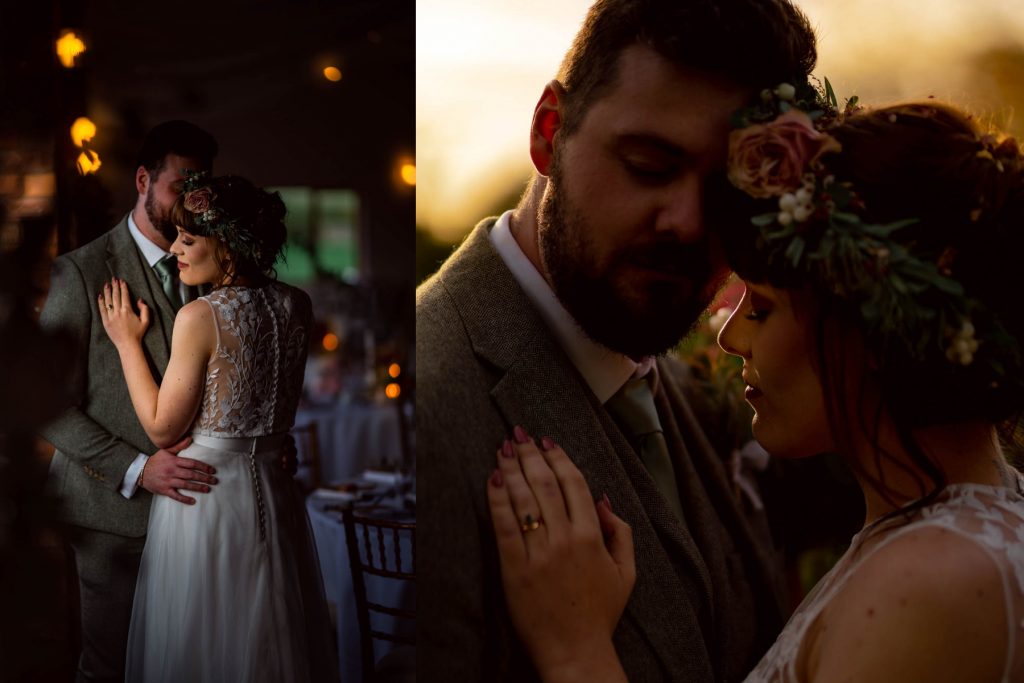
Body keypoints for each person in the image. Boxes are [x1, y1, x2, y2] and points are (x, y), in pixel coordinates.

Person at [486, 94, 1024, 682]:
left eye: (762, 308)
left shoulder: (925, 587)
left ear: (869, 329)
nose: (730, 337)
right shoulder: (956, 534)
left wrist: (576, 648)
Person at [416, 0, 818, 680]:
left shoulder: (690, 388)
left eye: (725, 193)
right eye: (648, 165)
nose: (686, 224)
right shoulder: (432, 407)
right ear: (549, 132)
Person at [98, 172, 337, 682]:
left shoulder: (202, 314)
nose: (177, 250)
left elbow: (164, 430)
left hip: (206, 498)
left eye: (189, 239)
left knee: (203, 645)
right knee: (272, 636)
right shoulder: (297, 305)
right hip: (275, 491)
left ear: (226, 246)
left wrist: (125, 343)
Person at [39, 120, 221, 683]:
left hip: (198, 517)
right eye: (179, 185)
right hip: (110, 519)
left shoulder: (215, 268)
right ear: (142, 180)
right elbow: (47, 404)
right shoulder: (81, 272)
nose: (192, 200)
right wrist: (138, 468)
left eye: (202, 187)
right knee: (111, 668)